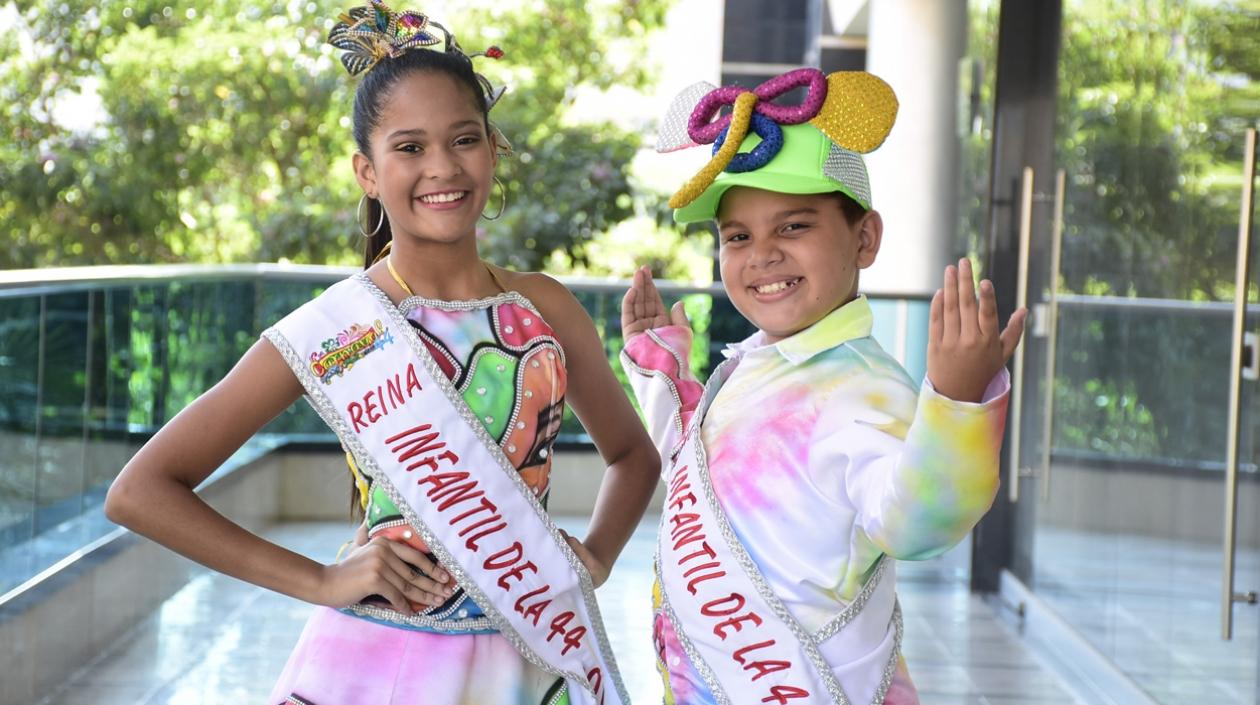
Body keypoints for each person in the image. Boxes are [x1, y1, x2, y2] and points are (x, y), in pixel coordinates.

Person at [104, 4, 658, 704]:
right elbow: (140, 490)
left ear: (493, 148)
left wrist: (598, 557)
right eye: (410, 148)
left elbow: (634, 455)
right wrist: (322, 579)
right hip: (381, 660)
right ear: (367, 172)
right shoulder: (337, 329)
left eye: (464, 139)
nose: (442, 168)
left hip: (531, 645)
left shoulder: (542, 306)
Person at [619, 68, 1027, 705]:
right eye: (738, 237)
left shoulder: (865, 391)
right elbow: (695, 473)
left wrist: (956, 403)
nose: (762, 255)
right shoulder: (756, 365)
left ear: (865, 238)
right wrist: (658, 370)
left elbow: (915, 524)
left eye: (793, 227)